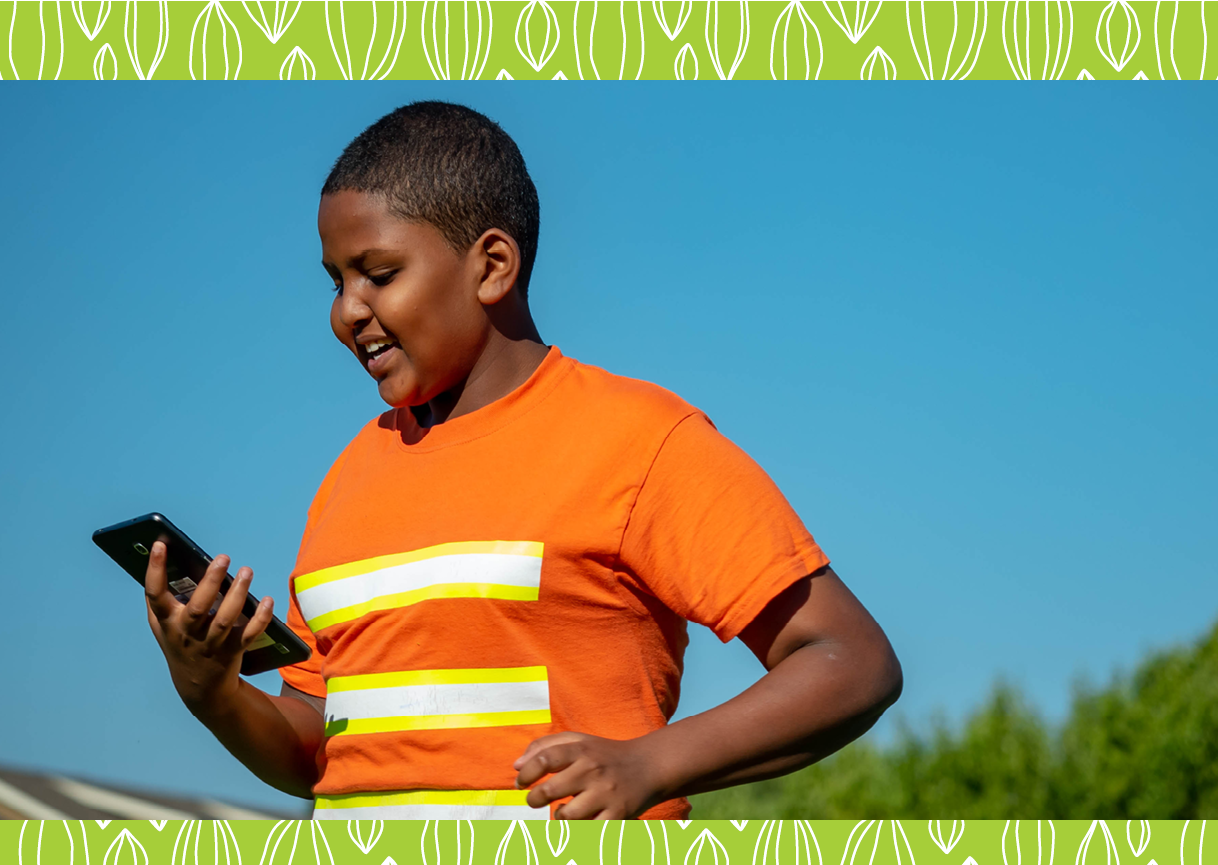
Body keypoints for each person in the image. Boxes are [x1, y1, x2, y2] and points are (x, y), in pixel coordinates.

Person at [142, 101, 902, 821]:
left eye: (377, 273)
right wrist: (210, 690)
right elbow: (318, 745)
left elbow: (851, 659)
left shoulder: (638, 441)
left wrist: (650, 764)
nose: (346, 309)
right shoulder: (347, 480)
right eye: (334, 281)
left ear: (493, 265)